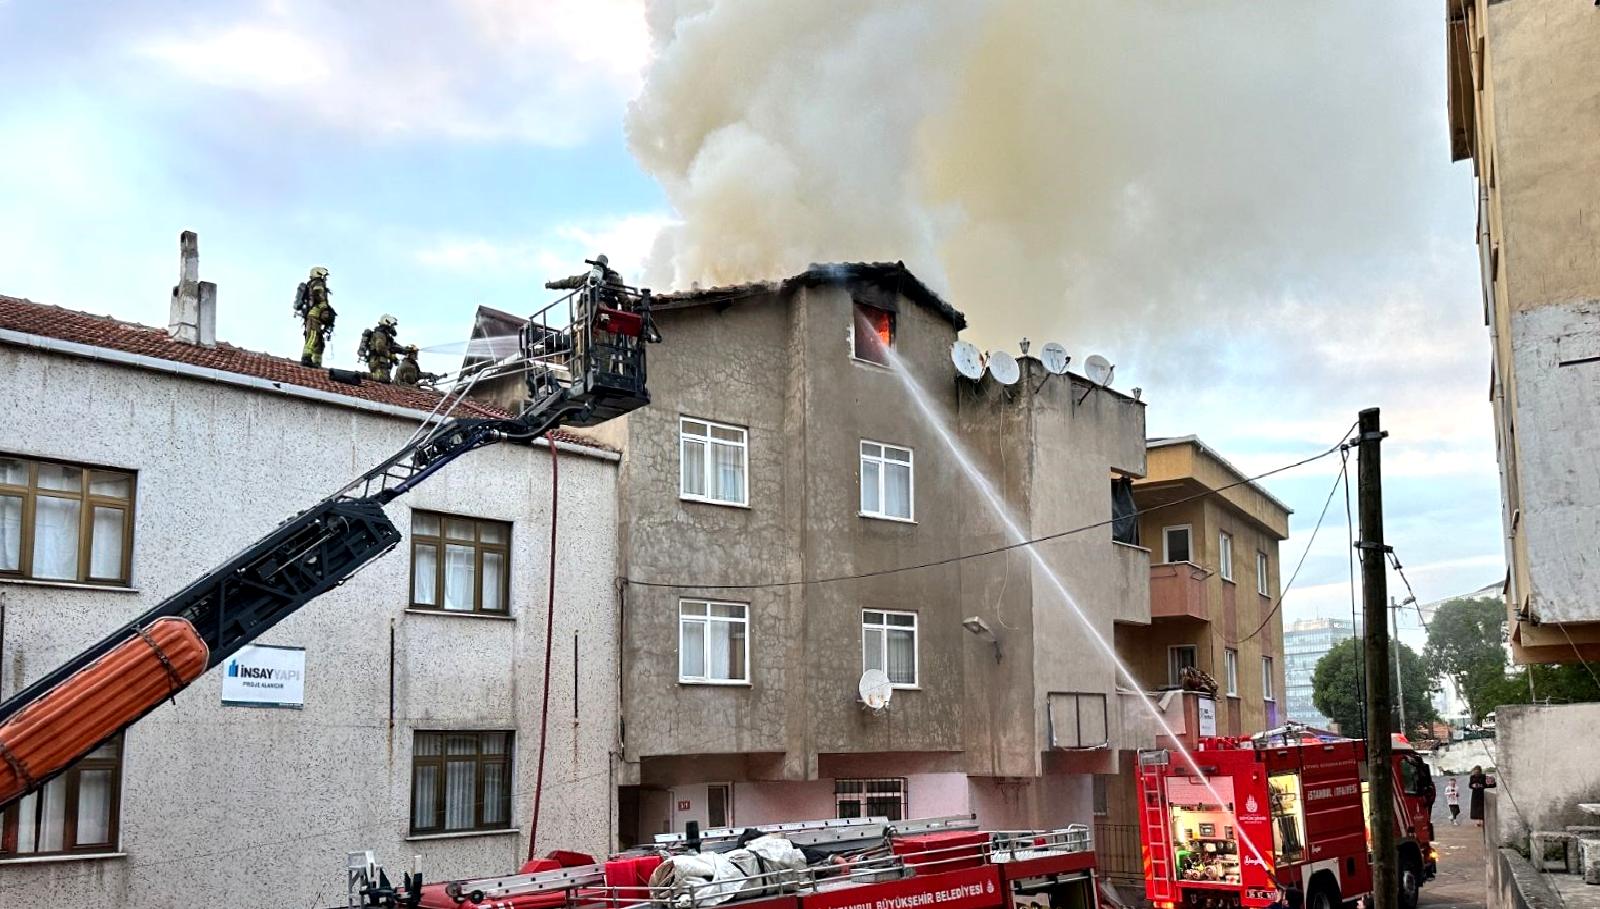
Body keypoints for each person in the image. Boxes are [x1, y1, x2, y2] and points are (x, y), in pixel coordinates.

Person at [296, 266, 336, 367]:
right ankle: (306, 358)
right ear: (319, 274)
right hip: (314, 314)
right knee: (313, 335)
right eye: (324, 275)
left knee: (319, 341)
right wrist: (326, 309)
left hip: (316, 315)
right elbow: (319, 296)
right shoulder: (318, 283)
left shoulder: (314, 283)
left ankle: (316, 362)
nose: (325, 277)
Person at [358, 315, 400, 383]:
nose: (393, 328)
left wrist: (406, 350)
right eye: (392, 326)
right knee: (384, 378)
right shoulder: (380, 334)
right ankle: (361, 375)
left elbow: (395, 347)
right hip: (377, 361)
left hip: (378, 361)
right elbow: (380, 348)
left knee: (384, 380)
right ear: (387, 322)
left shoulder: (386, 336)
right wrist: (391, 356)